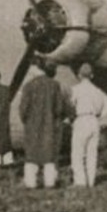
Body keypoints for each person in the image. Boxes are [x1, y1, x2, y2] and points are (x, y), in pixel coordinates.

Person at [17, 60, 65, 188]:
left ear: (35, 67)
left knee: (32, 155)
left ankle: (31, 182)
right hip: (49, 126)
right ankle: (50, 182)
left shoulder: (28, 86)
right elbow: (59, 109)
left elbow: (23, 109)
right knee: (49, 155)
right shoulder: (55, 85)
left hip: (32, 126)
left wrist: (27, 121)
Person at [68, 63, 107, 187]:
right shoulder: (98, 91)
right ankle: (91, 181)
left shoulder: (75, 90)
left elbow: (70, 105)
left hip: (81, 119)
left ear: (79, 75)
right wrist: (101, 116)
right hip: (94, 120)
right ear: (92, 76)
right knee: (92, 153)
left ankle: (80, 181)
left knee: (78, 153)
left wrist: (70, 117)